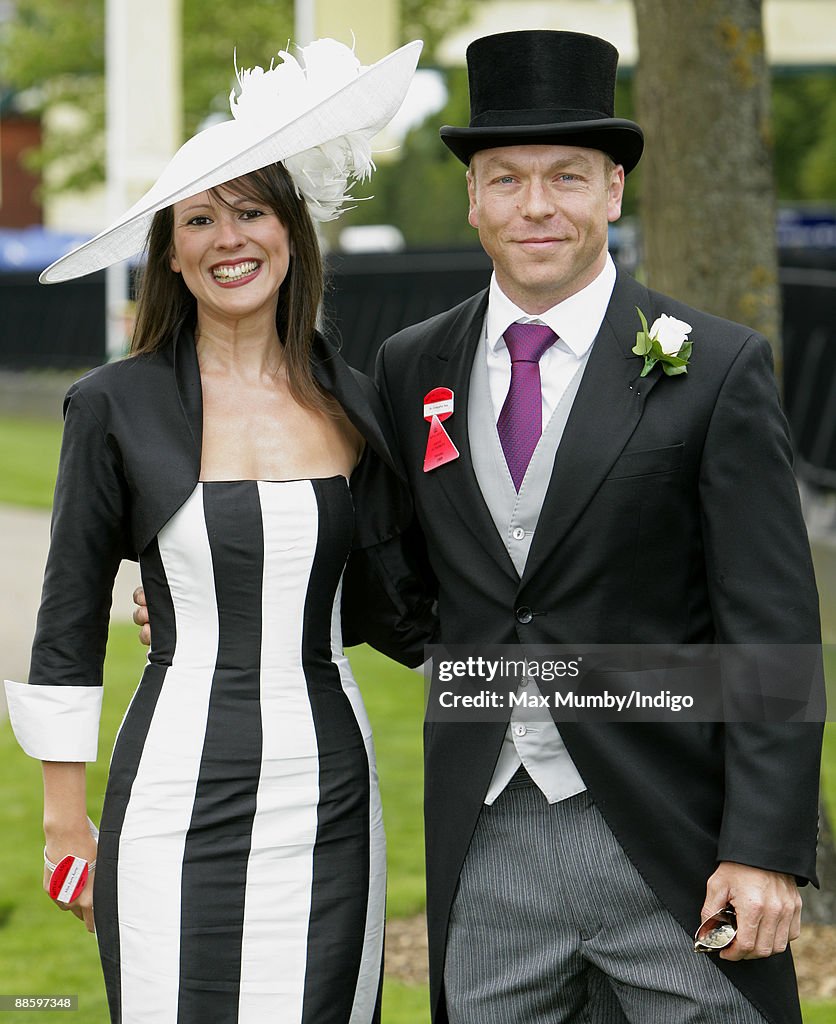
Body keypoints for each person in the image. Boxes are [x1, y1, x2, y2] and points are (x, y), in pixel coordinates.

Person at [354, 29, 823, 1024]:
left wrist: (764, 846)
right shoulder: (410, 366)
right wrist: (207, 591)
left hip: (672, 833)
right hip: (486, 838)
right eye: (505, 178)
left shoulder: (715, 366)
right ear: (473, 197)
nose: (536, 206)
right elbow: (391, 577)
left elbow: (769, 624)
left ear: (612, 191)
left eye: (565, 177)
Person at [4, 38, 427, 1024]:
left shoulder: (356, 405)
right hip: (167, 799)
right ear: (169, 248)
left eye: (250, 209)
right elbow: (65, 619)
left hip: (330, 796)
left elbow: (402, 609)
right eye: (199, 217)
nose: (227, 237)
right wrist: (65, 819)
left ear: (290, 230)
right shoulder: (113, 406)